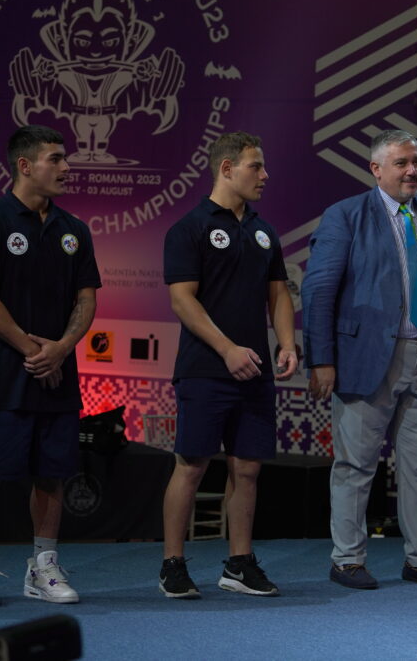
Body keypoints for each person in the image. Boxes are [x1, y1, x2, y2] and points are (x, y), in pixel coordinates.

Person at [302, 129, 417, 590]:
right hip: (366, 358)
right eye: (401, 163)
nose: (411, 171)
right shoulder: (345, 216)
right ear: (376, 169)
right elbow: (318, 291)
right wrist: (320, 359)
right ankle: (347, 560)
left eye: (416, 162)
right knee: (356, 465)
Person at [0, 124, 100, 606]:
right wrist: (34, 351)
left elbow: (86, 299)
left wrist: (62, 348)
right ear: (25, 165)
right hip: (3, 377)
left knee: (52, 475)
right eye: (55, 159)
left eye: (64, 158)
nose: (66, 167)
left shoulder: (74, 230)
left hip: (58, 377)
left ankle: (43, 568)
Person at [159, 132, 298, 599]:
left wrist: (286, 344)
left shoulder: (264, 231)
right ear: (226, 169)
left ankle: (239, 564)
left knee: (248, 469)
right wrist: (227, 349)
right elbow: (183, 300)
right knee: (191, 466)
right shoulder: (189, 228)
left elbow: (278, 293)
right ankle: (172, 565)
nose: (265, 175)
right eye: (255, 166)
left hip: (254, 371)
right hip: (204, 368)